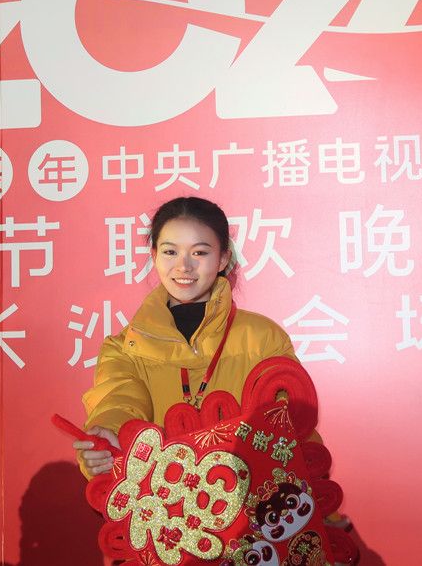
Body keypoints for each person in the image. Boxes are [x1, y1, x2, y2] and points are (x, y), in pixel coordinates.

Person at [74, 196, 298, 477]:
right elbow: (119, 400)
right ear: (154, 256)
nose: (184, 266)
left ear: (223, 258)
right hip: (161, 499)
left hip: (248, 496)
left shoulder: (263, 338)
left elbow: (291, 420)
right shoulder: (124, 348)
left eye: (199, 252)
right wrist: (110, 433)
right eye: (170, 252)